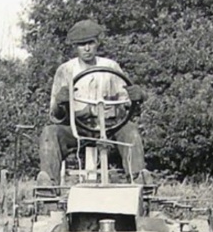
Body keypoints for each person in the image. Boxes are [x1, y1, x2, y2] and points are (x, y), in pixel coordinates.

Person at [37, 19, 149, 185]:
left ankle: (140, 183)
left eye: (90, 43)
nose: (87, 48)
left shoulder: (110, 67)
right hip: (77, 129)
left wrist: (138, 97)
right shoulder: (65, 70)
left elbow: (126, 101)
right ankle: (47, 188)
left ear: (97, 43)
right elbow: (55, 115)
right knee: (50, 132)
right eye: (82, 44)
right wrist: (60, 103)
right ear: (75, 47)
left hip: (110, 127)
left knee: (130, 130)